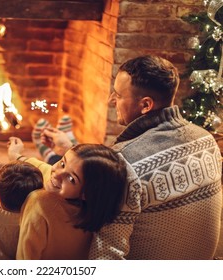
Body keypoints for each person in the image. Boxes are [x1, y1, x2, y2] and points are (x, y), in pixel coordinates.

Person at [41, 55, 223, 259]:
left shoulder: (125, 164)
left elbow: (107, 253)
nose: (111, 100)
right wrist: (69, 148)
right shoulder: (205, 139)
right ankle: (58, 153)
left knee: (45, 199)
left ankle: (50, 158)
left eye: (118, 95)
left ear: (145, 105)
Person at [7, 137, 127, 259]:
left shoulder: (39, 203)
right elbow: (44, 168)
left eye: (71, 179)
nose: (57, 174)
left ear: (86, 193)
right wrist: (16, 155)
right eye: (62, 163)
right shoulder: (94, 209)